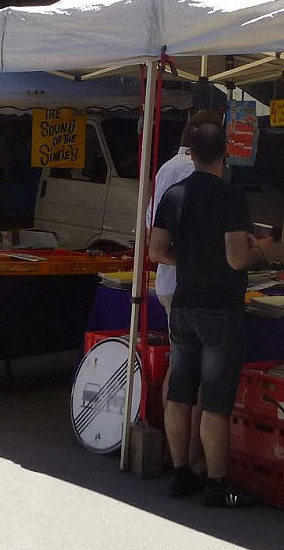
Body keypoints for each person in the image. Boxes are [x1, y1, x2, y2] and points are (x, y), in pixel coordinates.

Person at [149, 121, 274, 507]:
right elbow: (237, 258)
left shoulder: (174, 192)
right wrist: (263, 249)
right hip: (220, 307)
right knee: (216, 401)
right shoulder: (229, 195)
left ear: (190, 150)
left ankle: (181, 472)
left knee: (181, 392)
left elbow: (155, 251)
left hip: (184, 304)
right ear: (225, 153)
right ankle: (217, 485)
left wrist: (188, 261)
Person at [146, 109, 223, 474]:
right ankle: (190, 458)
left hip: (169, 282)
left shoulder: (165, 169)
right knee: (195, 378)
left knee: (180, 373)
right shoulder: (197, 174)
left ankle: (172, 453)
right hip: (191, 287)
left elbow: (152, 230)